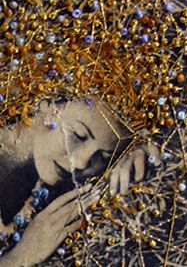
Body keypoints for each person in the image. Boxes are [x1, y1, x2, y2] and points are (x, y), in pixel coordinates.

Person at [0, 97, 161, 267]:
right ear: (48, 104)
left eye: (102, 157)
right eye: (78, 135)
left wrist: (142, 154)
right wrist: (19, 258)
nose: (80, 163)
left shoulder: (40, 191)